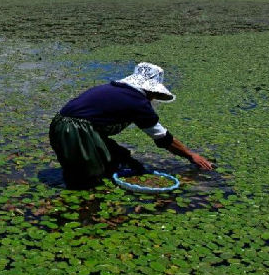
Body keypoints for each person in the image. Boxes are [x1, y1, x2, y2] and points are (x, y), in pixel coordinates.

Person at [49, 62, 213, 189]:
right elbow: (163, 138)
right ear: (152, 91)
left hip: (62, 125)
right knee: (87, 180)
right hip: (74, 131)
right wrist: (190, 155)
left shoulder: (115, 89)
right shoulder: (137, 102)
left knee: (119, 157)